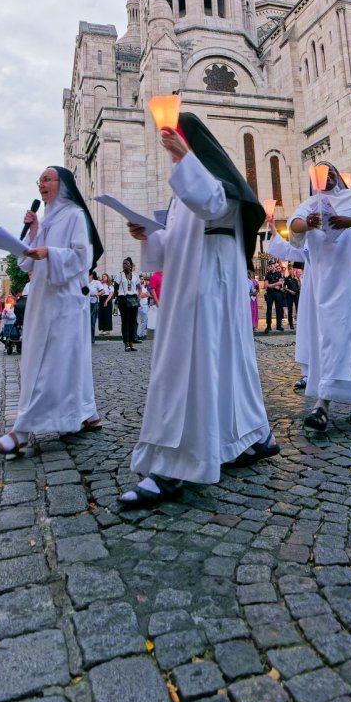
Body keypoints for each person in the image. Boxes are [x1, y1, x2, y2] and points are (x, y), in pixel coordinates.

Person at [118, 114, 277, 508]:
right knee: (220, 368)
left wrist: (184, 157)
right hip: (187, 290)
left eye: (178, 142)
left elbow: (213, 205)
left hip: (209, 292)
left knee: (192, 370)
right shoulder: (180, 195)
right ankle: (247, 438)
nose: (171, 151)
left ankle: (174, 466)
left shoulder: (218, 183)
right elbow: (173, 247)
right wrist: (150, 235)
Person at [0, 166, 103, 452]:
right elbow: (26, 262)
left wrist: (50, 252)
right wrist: (35, 232)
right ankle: (83, 413)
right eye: (39, 180)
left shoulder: (75, 215)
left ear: (62, 185)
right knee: (61, 359)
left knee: (51, 361)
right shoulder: (45, 218)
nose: (41, 184)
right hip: (43, 297)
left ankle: (23, 430)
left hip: (65, 300)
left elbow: (82, 256)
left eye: (47, 179)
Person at [288, 162, 351, 432]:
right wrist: (307, 224)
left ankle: (325, 405)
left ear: (337, 174)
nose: (328, 176)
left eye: (331, 171)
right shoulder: (311, 203)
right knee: (329, 340)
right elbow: (293, 225)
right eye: (321, 174)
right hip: (324, 285)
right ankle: (348, 399)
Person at [266, 223, 310, 389]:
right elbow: (291, 250)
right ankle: (307, 373)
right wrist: (275, 232)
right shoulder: (309, 242)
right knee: (307, 329)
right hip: (311, 290)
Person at [115, 257, 142, 352]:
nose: (125, 265)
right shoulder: (120, 275)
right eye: (123, 264)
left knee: (132, 322)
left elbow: (139, 287)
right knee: (125, 322)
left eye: (126, 263)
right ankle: (126, 343)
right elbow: (115, 288)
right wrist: (118, 298)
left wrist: (139, 296)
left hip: (133, 299)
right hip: (123, 299)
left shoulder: (135, 276)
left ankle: (131, 343)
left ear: (130, 265)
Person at [264, 260, 285, 333]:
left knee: (278, 309)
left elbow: (281, 282)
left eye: (272, 265)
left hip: (278, 294)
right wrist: (275, 286)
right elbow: (266, 285)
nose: (271, 266)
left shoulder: (279, 273)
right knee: (269, 310)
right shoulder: (267, 274)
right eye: (270, 265)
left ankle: (279, 326)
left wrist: (272, 285)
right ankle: (268, 326)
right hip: (270, 293)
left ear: (274, 266)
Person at [88, 270, 104, 340]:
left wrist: (97, 294)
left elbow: (103, 291)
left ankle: (92, 338)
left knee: (92, 321)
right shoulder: (84, 283)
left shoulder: (96, 282)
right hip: (85, 304)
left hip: (94, 303)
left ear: (91, 275)